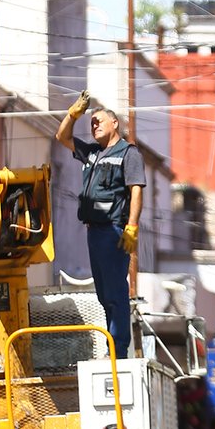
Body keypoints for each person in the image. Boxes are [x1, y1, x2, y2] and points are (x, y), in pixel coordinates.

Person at [54, 91, 145, 360]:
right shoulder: (92, 153)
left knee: (116, 292)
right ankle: (112, 348)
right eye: (91, 123)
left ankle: (118, 351)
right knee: (104, 295)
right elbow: (62, 137)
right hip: (94, 232)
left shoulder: (128, 153)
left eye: (99, 121)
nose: (94, 125)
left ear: (115, 123)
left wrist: (132, 227)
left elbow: (136, 190)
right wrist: (74, 113)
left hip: (115, 229)